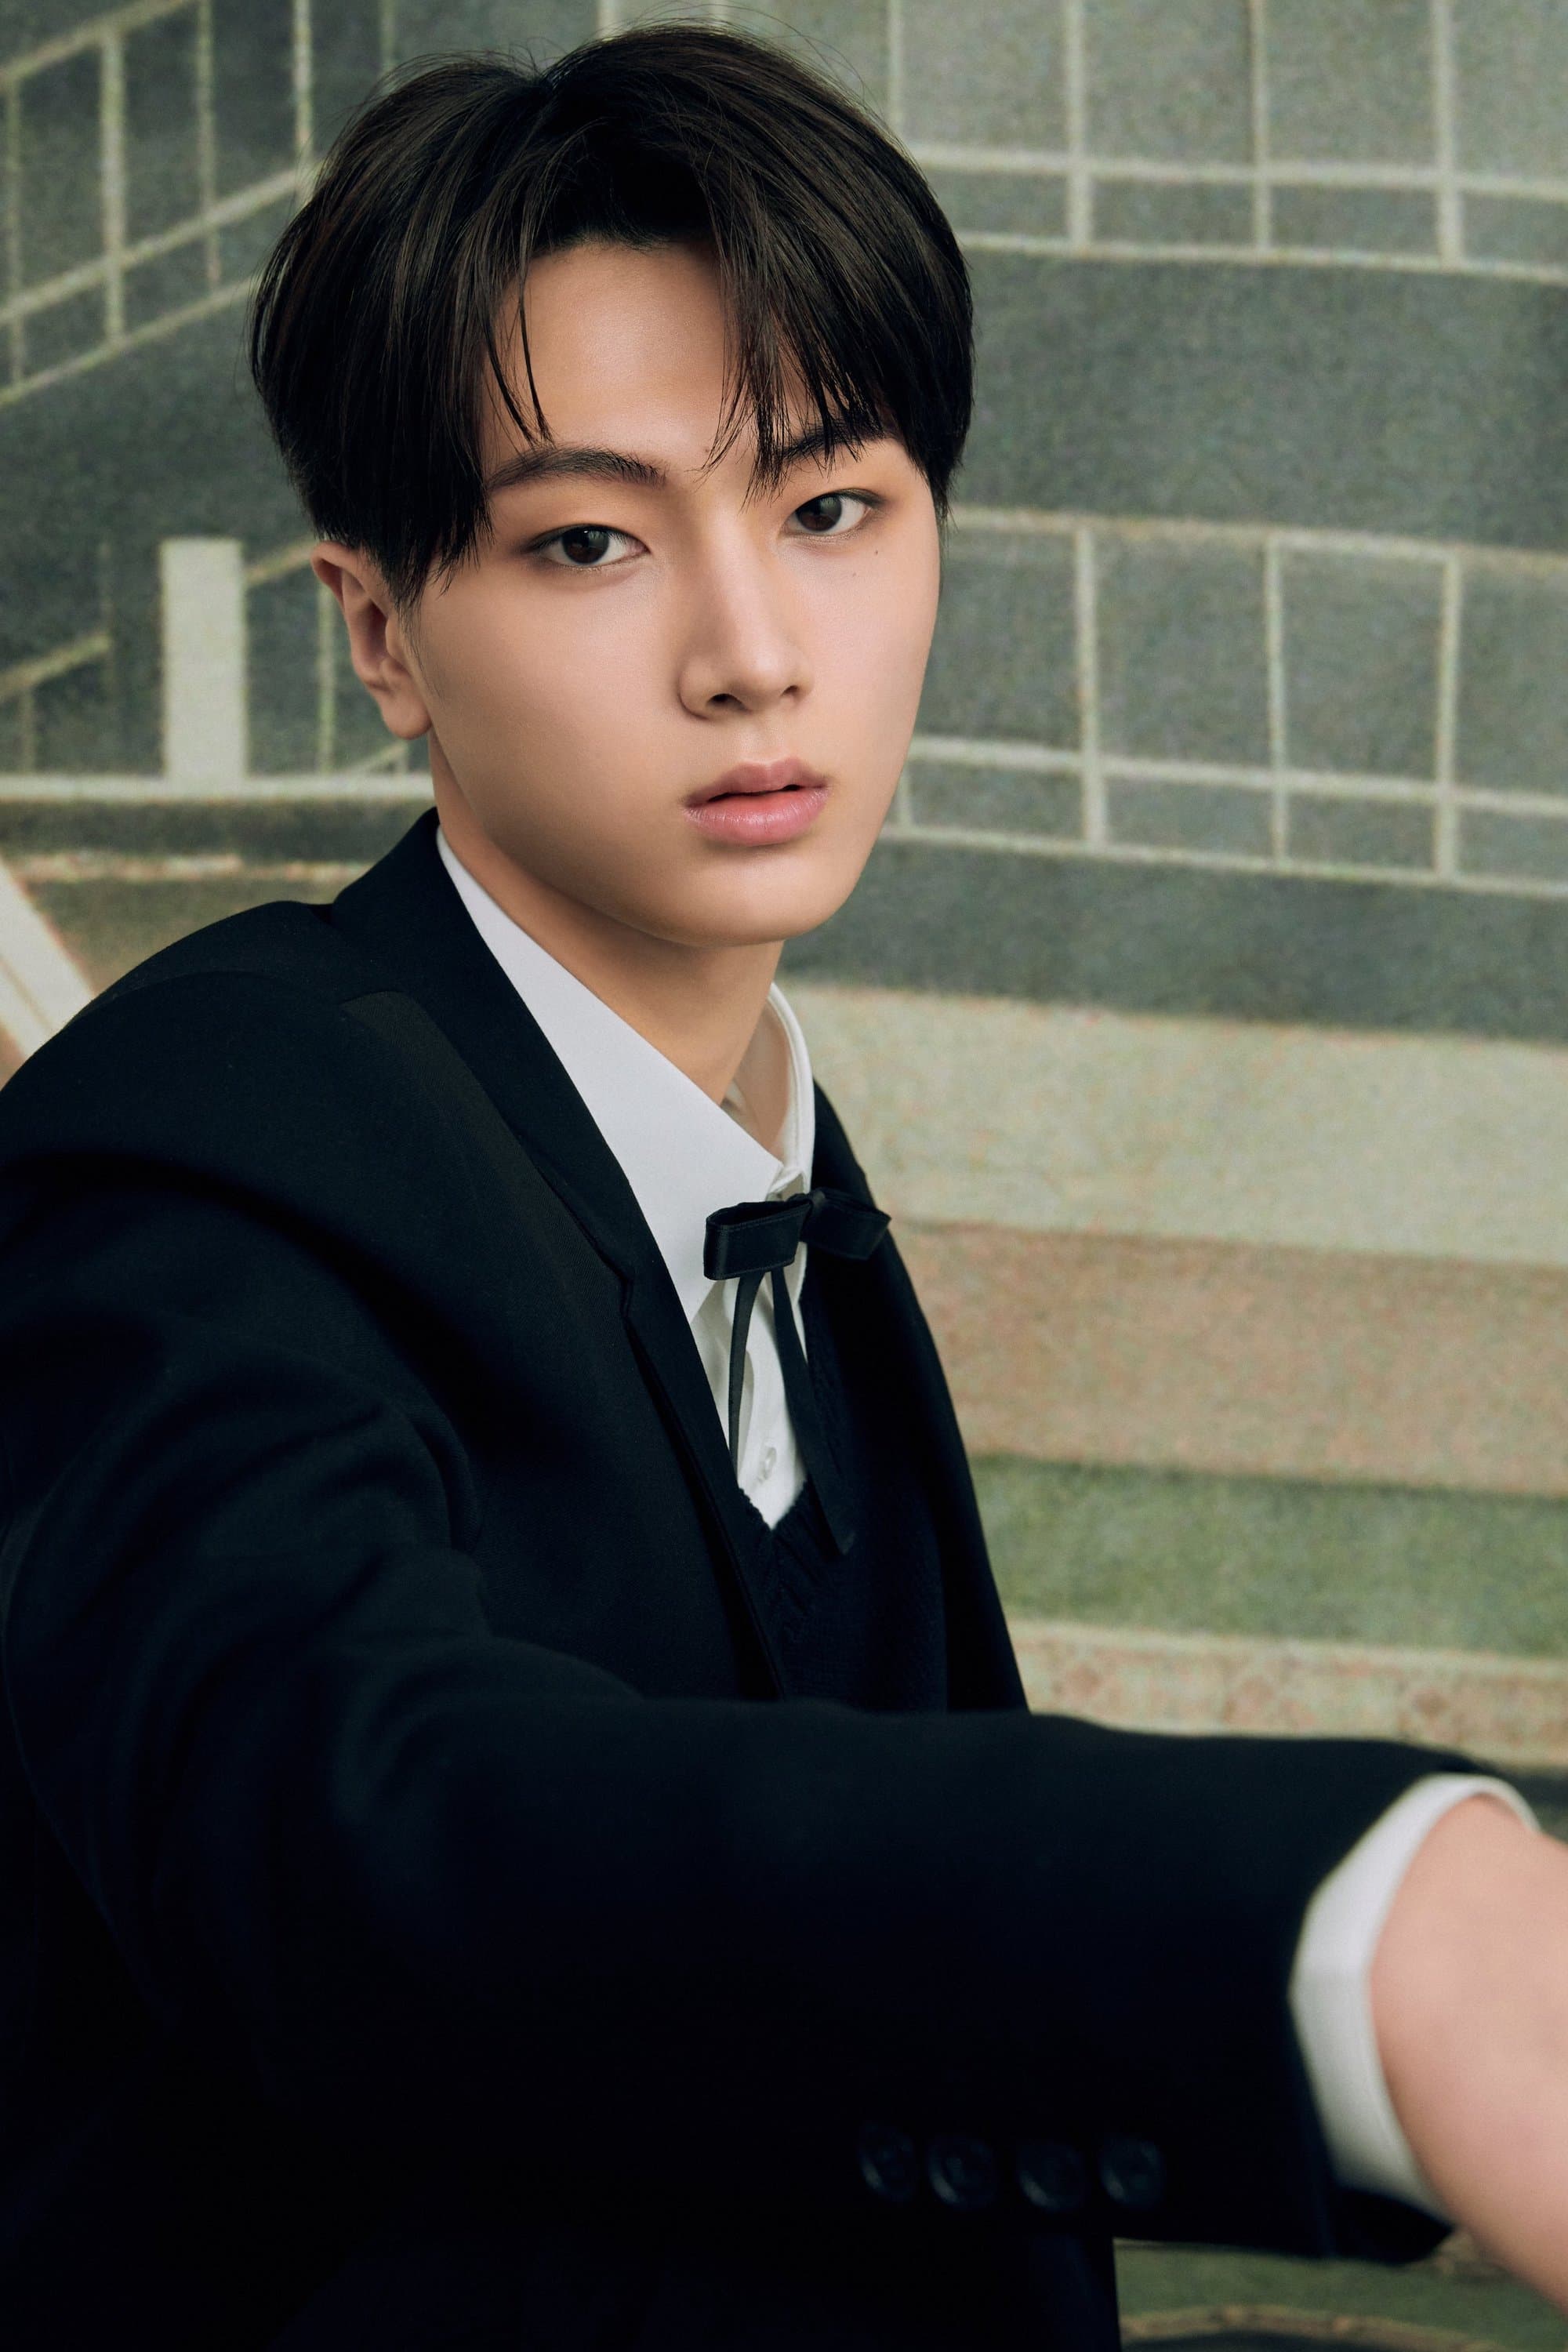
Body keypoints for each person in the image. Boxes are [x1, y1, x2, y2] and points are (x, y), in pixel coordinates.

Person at [0, 24, 1564, 2350]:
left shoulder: (766, 1162)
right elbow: (362, 1840)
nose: (752, 657)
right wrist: (1357, 1937)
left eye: (832, 509)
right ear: (381, 631)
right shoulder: (201, 1138)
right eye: (591, 541)